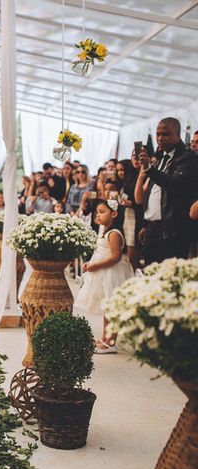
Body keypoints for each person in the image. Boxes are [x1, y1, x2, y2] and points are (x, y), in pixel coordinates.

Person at [134, 117, 198, 264]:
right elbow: (154, 193)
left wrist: (149, 168)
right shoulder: (163, 158)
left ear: (178, 134)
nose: (160, 138)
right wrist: (147, 223)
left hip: (172, 230)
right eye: (158, 134)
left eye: (165, 134)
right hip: (153, 228)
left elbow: (174, 184)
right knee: (150, 274)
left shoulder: (188, 157)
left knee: (167, 277)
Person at [74, 199, 133, 353]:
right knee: (106, 307)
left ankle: (111, 341)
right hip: (103, 273)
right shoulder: (105, 232)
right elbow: (101, 253)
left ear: (114, 214)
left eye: (102, 212)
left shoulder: (114, 234)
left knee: (111, 308)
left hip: (111, 274)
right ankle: (105, 337)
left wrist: (95, 266)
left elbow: (115, 257)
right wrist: (90, 263)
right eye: (97, 212)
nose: (97, 215)